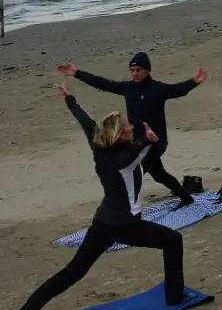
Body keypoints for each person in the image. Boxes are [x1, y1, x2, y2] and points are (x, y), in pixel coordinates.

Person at [8, 84, 188, 310]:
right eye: (127, 127)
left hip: (103, 223)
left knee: (73, 272)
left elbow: (85, 120)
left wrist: (69, 98)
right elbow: (140, 150)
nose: (131, 127)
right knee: (173, 241)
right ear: (119, 134)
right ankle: (175, 296)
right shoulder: (124, 159)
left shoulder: (99, 146)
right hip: (126, 225)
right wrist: (149, 141)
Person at [57, 53, 207, 210]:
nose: (134, 73)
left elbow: (178, 90)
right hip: (138, 142)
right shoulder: (127, 88)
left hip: (156, 142)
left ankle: (127, 209)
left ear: (147, 70)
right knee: (159, 174)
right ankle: (186, 198)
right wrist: (77, 73)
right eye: (132, 70)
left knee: (136, 172)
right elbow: (103, 84)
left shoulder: (158, 89)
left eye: (138, 70)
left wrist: (194, 81)